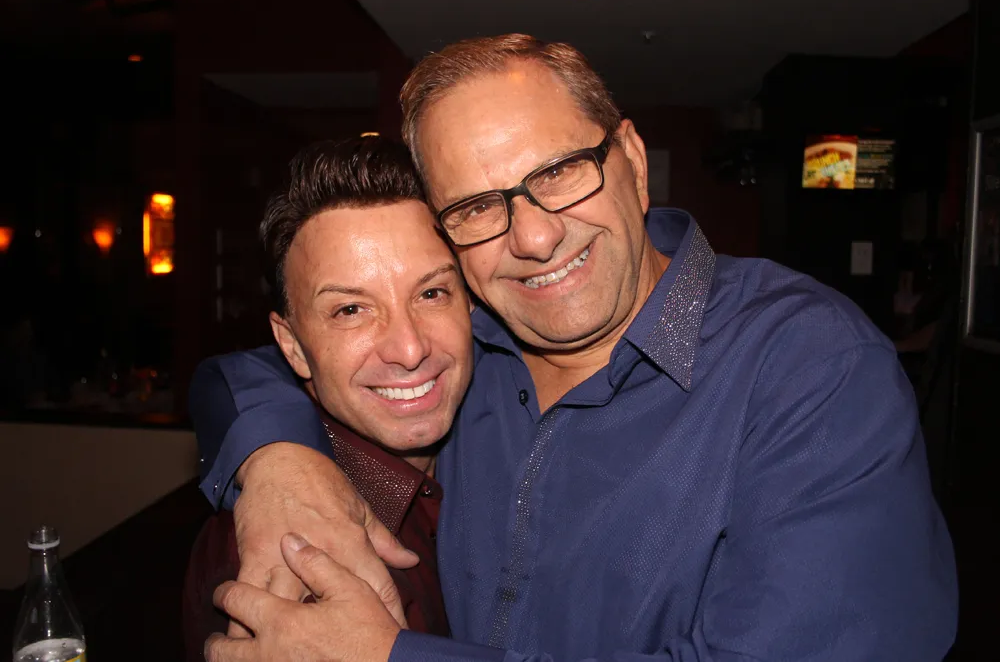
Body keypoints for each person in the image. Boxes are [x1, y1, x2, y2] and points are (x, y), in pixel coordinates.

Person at [196, 34, 957, 662]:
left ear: (631, 159)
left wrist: (390, 658)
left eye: (560, 172)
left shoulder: (812, 368)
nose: (533, 237)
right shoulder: (464, 345)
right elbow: (278, 367)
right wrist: (276, 462)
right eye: (478, 207)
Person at [181, 136, 473, 657]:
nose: (410, 349)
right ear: (292, 346)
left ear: (470, 305)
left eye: (431, 293)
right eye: (350, 310)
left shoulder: (515, 433)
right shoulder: (278, 558)